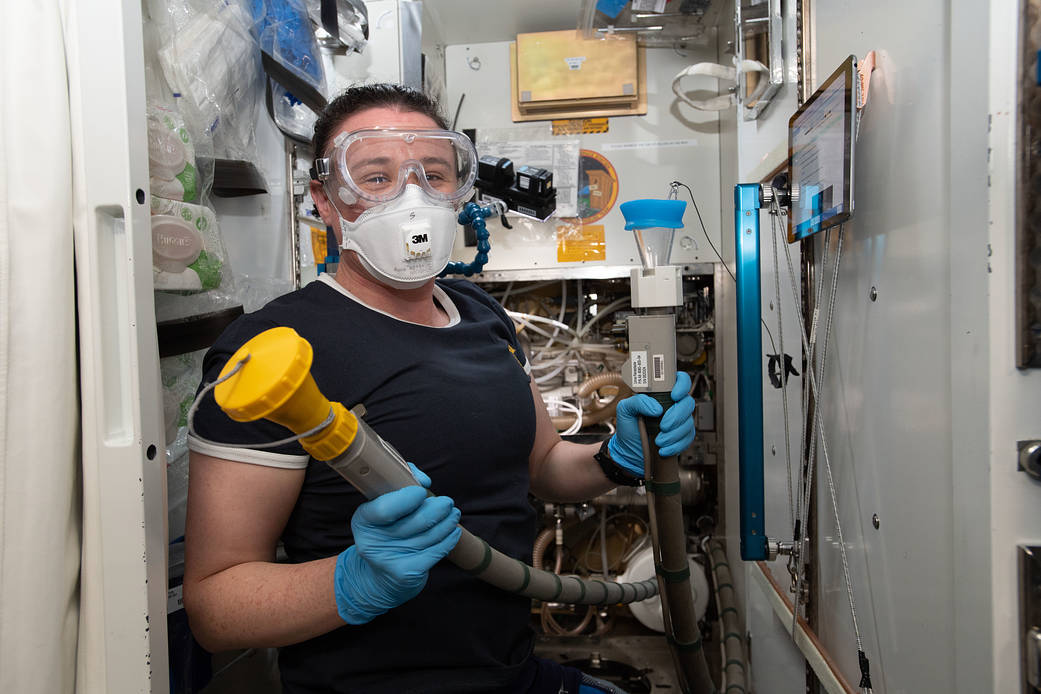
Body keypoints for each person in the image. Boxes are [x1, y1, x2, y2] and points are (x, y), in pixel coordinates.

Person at [183, 83, 697, 694]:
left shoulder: (482, 314)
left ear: (461, 190)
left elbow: (544, 468)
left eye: (433, 175)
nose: (413, 197)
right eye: (376, 178)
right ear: (324, 200)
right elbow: (215, 607)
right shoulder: (273, 350)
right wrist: (350, 583)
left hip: (512, 674)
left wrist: (616, 457)